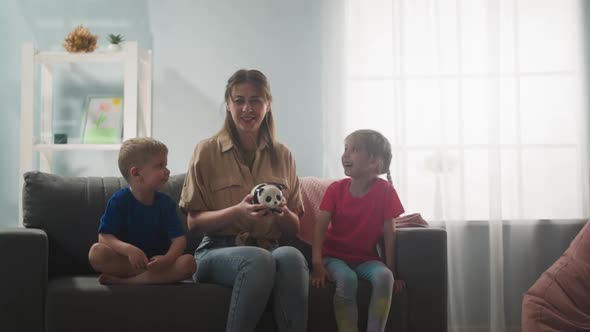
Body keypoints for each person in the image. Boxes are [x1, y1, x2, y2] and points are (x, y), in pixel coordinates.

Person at [179, 69, 308, 332]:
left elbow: (294, 228)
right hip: (216, 251)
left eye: (256, 100)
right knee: (258, 260)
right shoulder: (206, 151)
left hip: (268, 248)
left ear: (268, 104)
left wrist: (282, 214)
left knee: (292, 257)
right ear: (228, 104)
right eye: (239, 100)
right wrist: (237, 212)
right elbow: (193, 223)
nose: (247, 108)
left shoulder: (284, 155)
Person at [311, 129, 406, 332]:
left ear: (373, 161)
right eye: (346, 149)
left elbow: (390, 233)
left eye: (354, 150)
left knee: (384, 278)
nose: (345, 154)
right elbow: (319, 227)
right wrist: (317, 263)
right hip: (334, 257)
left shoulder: (386, 191)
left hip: (366, 259)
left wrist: (392, 270)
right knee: (346, 279)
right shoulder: (335, 189)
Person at [88, 137, 196, 285]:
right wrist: (129, 250)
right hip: (130, 262)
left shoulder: (166, 203)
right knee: (97, 253)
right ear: (136, 173)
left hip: (159, 263)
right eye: (160, 166)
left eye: (166, 165)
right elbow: (104, 237)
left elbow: (179, 240)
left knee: (188, 263)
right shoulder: (119, 201)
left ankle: (128, 282)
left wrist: (167, 259)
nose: (167, 171)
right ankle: (151, 278)